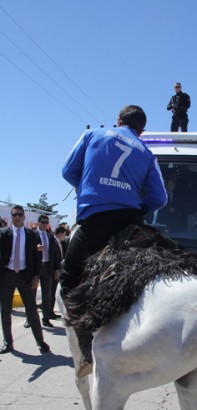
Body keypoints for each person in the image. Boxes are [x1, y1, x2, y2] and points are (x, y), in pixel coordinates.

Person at [60, 105, 167, 374]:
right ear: (141, 131)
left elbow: (67, 171)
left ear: (118, 121)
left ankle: (86, 349)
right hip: (129, 224)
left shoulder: (92, 135)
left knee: (69, 278)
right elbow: (160, 198)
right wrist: (137, 207)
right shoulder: (146, 152)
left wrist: (89, 187)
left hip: (95, 223)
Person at [0, 205, 50, 354]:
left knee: (32, 310)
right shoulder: (3, 233)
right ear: (11, 217)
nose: (17, 217)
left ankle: (40, 341)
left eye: (20, 214)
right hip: (6, 275)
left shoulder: (31, 234)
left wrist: (36, 276)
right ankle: (8, 342)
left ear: (24, 217)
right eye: (14, 214)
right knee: (5, 311)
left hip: (25, 276)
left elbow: (36, 258)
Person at [24, 214, 62, 328]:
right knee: (31, 295)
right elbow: (25, 250)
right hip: (35, 268)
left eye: (47, 222)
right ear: (38, 222)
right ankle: (29, 319)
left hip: (47, 268)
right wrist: (36, 249)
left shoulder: (50, 236)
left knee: (47, 295)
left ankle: (46, 318)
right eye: (43, 222)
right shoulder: (32, 234)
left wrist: (56, 268)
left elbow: (55, 254)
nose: (45, 224)